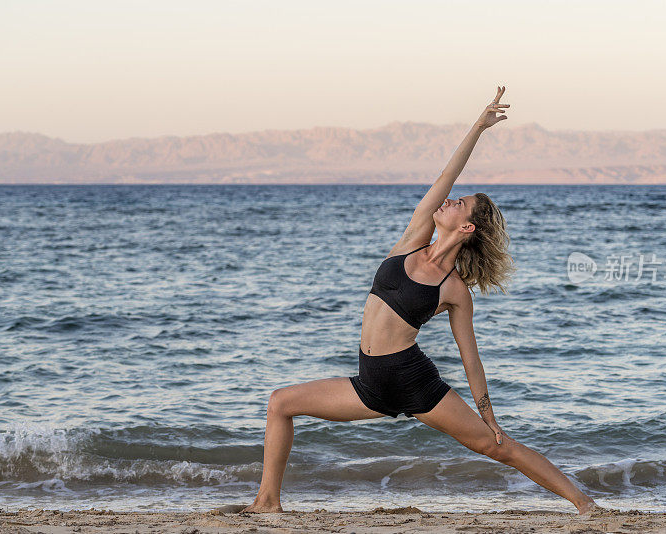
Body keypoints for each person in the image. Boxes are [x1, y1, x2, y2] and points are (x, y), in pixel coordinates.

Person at [243, 86, 603, 515]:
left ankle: (586, 505)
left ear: (467, 227)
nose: (450, 200)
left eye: (460, 204)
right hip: (371, 383)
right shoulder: (414, 240)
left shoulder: (454, 290)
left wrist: (488, 414)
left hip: (414, 382)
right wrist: (478, 127)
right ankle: (267, 502)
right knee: (281, 403)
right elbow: (443, 178)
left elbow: (470, 359)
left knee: (498, 447)